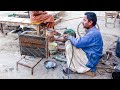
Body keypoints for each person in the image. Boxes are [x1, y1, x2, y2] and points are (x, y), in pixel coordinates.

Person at [55, 12, 103, 77]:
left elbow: (77, 43)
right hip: (92, 54)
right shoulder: (93, 30)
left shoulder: (93, 33)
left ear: (90, 22)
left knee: (69, 46)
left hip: (91, 59)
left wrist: (69, 37)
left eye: (84, 20)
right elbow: (81, 41)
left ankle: (76, 68)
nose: (82, 22)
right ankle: (78, 64)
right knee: (71, 42)